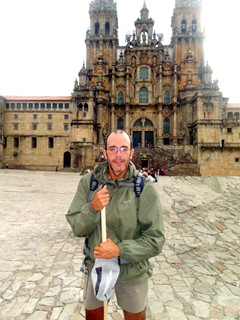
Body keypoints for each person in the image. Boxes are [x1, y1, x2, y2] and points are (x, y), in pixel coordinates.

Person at [65, 130, 165, 320]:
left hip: (133, 271)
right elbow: (77, 227)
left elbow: (155, 240)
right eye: (113, 149)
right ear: (105, 152)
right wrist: (92, 208)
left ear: (131, 153)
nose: (118, 155)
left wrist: (119, 250)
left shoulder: (144, 188)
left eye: (123, 149)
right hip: (96, 268)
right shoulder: (90, 182)